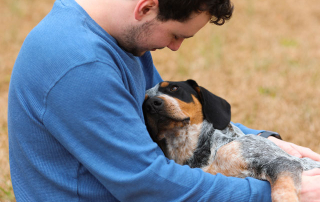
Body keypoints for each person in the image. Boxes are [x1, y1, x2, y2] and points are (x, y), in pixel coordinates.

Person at [8, 0, 320, 201]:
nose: (175, 48)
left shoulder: (119, 40)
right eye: (175, 35)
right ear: (145, 8)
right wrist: (277, 191)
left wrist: (259, 140)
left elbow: (173, 124)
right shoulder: (81, 65)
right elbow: (149, 184)